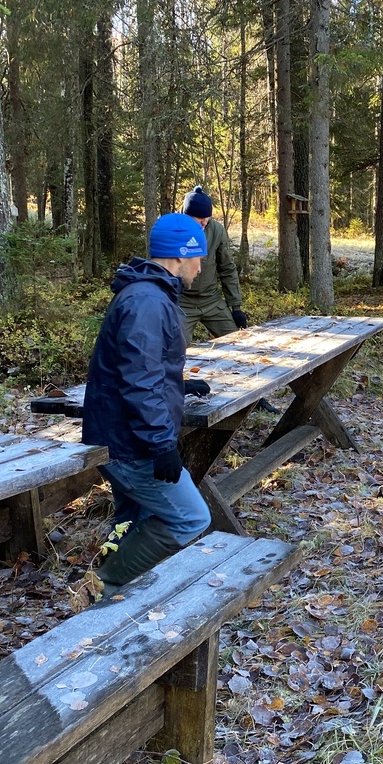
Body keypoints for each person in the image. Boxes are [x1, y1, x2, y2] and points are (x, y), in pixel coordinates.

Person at [83, 212, 214, 594]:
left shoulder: (148, 295)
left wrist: (180, 385)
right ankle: (104, 584)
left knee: (136, 518)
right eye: (198, 258)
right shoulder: (147, 302)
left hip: (126, 436)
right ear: (179, 257)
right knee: (190, 518)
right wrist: (160, 445)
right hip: (130, 445)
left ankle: (122, 592)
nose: (201, 266)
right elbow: (139, 381)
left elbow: (142, 367)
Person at [178, 186, 248, 344]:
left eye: (207, 217)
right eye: (199, 217)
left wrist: (235, 307)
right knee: (176, 348)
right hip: (182, 302)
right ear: (187, 216)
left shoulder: (216, 230)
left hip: (211, 300)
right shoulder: (172, 230)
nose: (204, 221)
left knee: (237, 342)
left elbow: (227, 268)